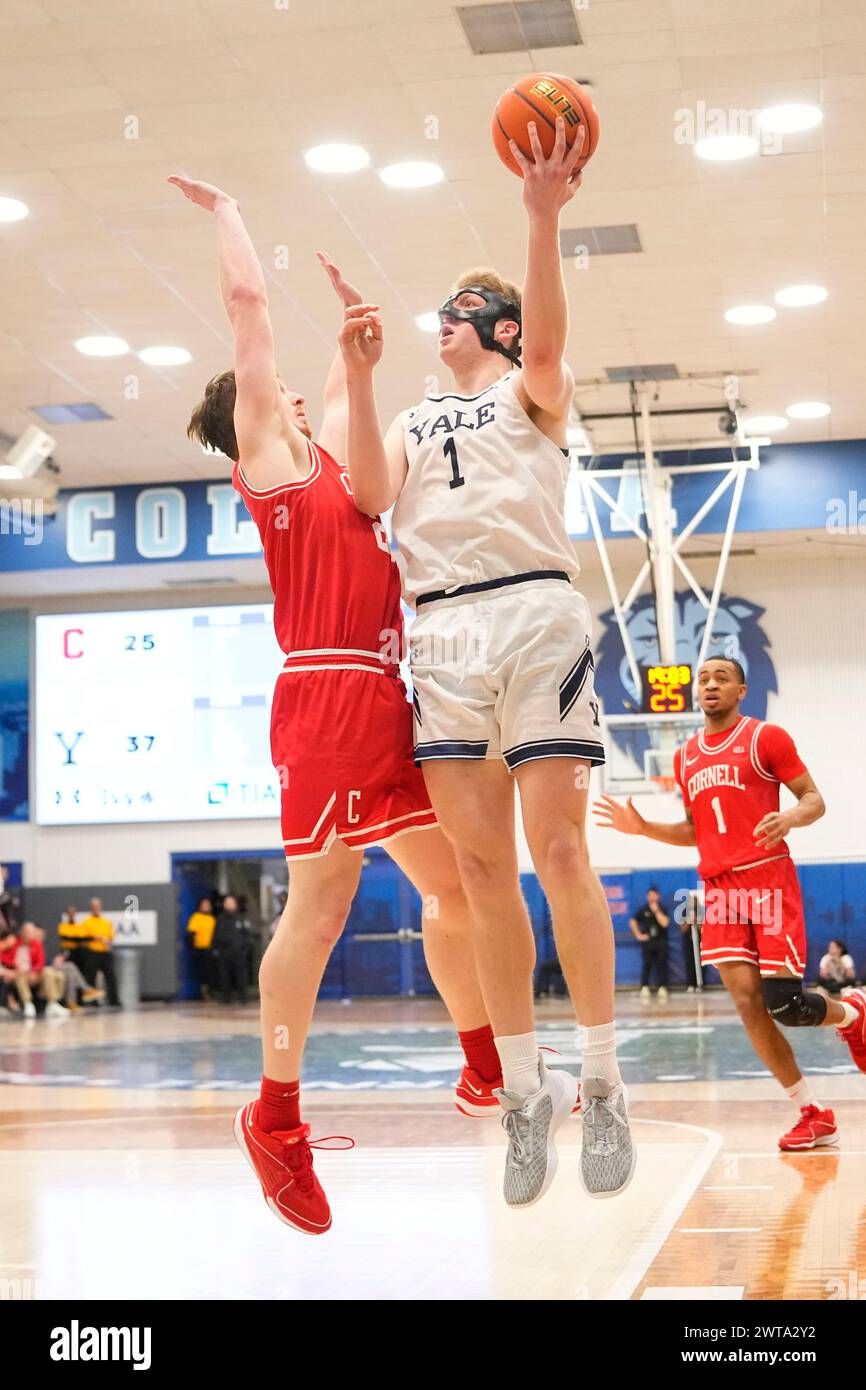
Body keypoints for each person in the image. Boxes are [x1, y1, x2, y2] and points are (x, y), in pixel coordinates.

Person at [172, 173, 501, 1236]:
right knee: (315, 920)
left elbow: (337, 377)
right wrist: (230, 211)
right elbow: (249, 318)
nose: (297, 398)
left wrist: (356, 334)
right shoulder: (269, 463)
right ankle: (274, 1118)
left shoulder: (336, 475)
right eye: (279, 395)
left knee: (460, 890)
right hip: (324, 700)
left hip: (383, 699)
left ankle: (482, 1064)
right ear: (253, 418)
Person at [339, 117, 633, 1203]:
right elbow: (369, 495)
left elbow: (550, 345)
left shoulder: (529, 392)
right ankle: (524, 1092)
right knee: (476, 875)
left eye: (464, 311)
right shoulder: (415, 415)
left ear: (498, 329)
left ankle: (601, 1079)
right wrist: (359, 378)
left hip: (533, 615)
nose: (443, 322)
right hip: (441, 630)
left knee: (560, 853)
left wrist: (539, 216)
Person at [595, 656, 866, 1153]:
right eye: (704, 679)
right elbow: (697, 831)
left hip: (766, 880)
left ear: (741, 689)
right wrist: (643, 828)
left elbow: (814, 798)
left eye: (722, 678)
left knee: (785, 1004)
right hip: (720, 890)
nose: (711, 685)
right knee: (746, 1004)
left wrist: (791, 818)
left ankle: (853, 1012)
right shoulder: (685, 758)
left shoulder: (766, 739)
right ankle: (812, 1112)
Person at [76, 899, 120, 1008]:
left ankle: (114, 1000)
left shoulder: (106, 922)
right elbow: (83, 938)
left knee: (111, 977)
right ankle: (93, 1001)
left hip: (104, 952)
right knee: (91, 977)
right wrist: (96, 937)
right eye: (94, 906)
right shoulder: (86, 922)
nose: (96, 908)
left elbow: (111, 937)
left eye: (98, 906)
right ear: (91, 908)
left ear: (101, 907)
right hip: (92, 953)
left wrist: (107, 941)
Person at [629, 887, 670, 1003]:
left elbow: (665, 923)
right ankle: (645, 987)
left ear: (658, 896)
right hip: (648, 942)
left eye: (654, 895)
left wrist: (656, 911)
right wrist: (638, 935)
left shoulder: (663, 908)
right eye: (650, 895)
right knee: (647, 964)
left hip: (661, 941)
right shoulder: (643, 909)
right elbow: (632, 921)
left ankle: (662, 987)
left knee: (662, 964)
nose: (652, 897)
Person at [186, 897, 216, 999]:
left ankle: (211, 991)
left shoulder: (212, 919)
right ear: (200, 906)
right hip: (200, 950)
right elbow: (191, 933)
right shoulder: (196, 917)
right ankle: (204, 994)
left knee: (211, 972)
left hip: (211, 949)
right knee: (202, 973)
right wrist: (193, 946)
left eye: (208, 905)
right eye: (204, 905)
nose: (207, 907)